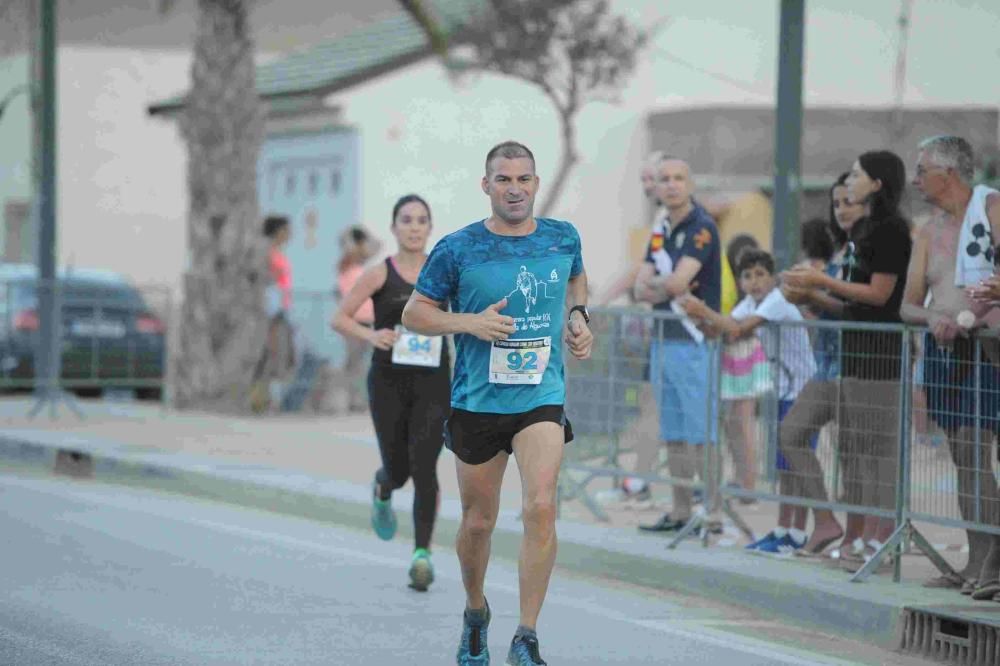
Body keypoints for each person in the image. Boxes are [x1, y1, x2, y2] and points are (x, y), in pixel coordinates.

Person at [401, 141, 593, 666]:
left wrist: (579, 318)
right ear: (486, 186)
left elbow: (576, 278)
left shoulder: (562, 237)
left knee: (540, 506)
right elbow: (415, 315)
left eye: (524, 179)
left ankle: (526, 637)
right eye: (504, 179)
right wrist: (470, 323)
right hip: (477, 401)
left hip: (540, 396)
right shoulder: (457, 248)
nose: (515, 189)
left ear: (535, 183)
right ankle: (475, 611)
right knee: (479, 522)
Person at [782, 150, 912, 568]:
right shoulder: (864, 235)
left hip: (879, 358)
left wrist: (818, 282)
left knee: (876, 455)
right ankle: (856, 536)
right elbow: (850, 308)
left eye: (856, 177)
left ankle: (879, 540)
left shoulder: (892, 230)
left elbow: (880, 297)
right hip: (852, 359)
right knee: (858, 453)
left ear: (876, 184)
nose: (847, 186)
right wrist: (812, 296)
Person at [332, 195, 450, 592]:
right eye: (406, 220)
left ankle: (422, 555)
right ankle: (383, 488)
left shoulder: (444, 271)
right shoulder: (379, 274)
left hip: (434, 383)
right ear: (395, 227)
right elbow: (339, 318)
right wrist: (372, 335)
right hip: (388, 383)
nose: (414, 227)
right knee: (399, 471)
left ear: (430, 227)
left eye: (421, 220)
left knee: (425, 467)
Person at [904, 135, 1000, 597]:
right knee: (964, 457)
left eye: (922, 170)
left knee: (978, 454)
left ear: (949, 172)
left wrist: (969, 319)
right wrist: (937, 317)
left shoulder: (992, 209)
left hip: (987, 348)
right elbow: (907, 306)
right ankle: (977, 561)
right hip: (947, 354)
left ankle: (991, 567)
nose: (916, 179)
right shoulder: (927, 230)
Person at [684, 249, 817, 553]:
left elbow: (739, 329)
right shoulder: (751, 302)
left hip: (803, 388)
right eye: (747, 276)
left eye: (760, 274)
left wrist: (704, 311)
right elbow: (723, 330)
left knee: (796, 464)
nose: (754, 282)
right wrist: (696, 313)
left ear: (772, 277)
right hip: (784, 390)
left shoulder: (776, 301)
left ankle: (796, 534)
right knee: (784, 465)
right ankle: (784, 530)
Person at [633, 155, 722, 534]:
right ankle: (682, 510)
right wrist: (655, 287)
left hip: (693, 340)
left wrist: (656, 287)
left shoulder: (701, 227)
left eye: (678, 178)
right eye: (665, 178)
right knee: (674, 433)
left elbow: (673, 284)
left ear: (691, 184)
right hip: (663, 340)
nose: (670, 185)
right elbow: (641, 285)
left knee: (702, 432)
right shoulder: (662, 228)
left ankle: (713, 514)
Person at [782, 177, 869, 562]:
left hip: (859, 367)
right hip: (827, 366)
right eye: (836, 204)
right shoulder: (836, 258)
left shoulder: (868, 252)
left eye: (849, 201)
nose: (842, 209)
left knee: (853, 455)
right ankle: (827, 522)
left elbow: (862, 308)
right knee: (791, 434)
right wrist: (809, 301)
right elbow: (831, 309)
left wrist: (813, 294)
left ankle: (858, 539)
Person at [251, 215, 296, 413]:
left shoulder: (278, 252)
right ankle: (261, 401)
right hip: (269, 309)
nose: (290, 234)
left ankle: (272, 401)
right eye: (287, 230)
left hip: (281, 307)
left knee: (280, 355)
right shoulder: (266, 250)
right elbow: (256, 274)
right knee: (267, 354)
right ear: (278, 231)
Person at [336, 225, 382, 412]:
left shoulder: (361, 265)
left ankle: (357, 399)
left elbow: (377, 246)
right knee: (353, 362)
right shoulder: (347, 263)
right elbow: (348, 246)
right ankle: (348, 400)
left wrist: (365, 237)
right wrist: (352, 237)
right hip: (352, 320)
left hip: (367, 320)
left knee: (363, 363)